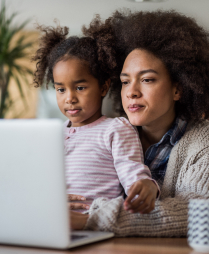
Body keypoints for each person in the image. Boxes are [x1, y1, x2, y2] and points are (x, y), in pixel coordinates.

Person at [70, 10, 209, 236]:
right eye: (125, 82)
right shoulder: (110, 133)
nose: (132, 92)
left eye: (147, 80)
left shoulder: (203, 143)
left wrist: (92, 218)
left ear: (178, 88)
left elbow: (196, 213)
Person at [32, 25, 160, 214]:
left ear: (103, 87)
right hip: (51, 221)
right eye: (61, 89)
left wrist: (147, 186)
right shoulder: (51, 134)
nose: (69, 98)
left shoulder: (116, 129)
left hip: (94, 224)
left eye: (80, 88)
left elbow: (132, 172)